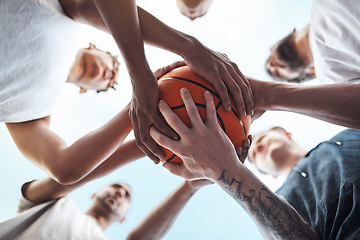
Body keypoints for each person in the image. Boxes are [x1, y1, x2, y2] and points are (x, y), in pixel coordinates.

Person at [1, 0, 253, 165]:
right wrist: (187, 47)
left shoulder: (36, 109)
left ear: (83, 90)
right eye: (114, 64)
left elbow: (64, 167)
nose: (110, 75)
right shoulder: (70, 14)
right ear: (94, 45)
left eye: (108, 85)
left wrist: (142, 108)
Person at [148, 79, 360, 238]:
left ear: (286, 133)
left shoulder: (348, 133)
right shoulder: (277, 203)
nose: (257, 145)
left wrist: (266, 95)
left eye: (263, 136)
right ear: (270, 174)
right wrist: (226, 168)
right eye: (253, 157)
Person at [0, 176, 211, 239]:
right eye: (115, 186)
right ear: (93, 194)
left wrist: (190, 185)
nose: (120, 192)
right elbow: (66, 171)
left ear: (123, 218)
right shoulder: (57, 202)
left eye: (127, 196)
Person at [265, 0, 360, 83]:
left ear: (292, 31)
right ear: (312, 73)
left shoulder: (320, 3)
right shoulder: (331, 82)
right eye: (278, 74)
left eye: (270, 56)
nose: (270, 65)